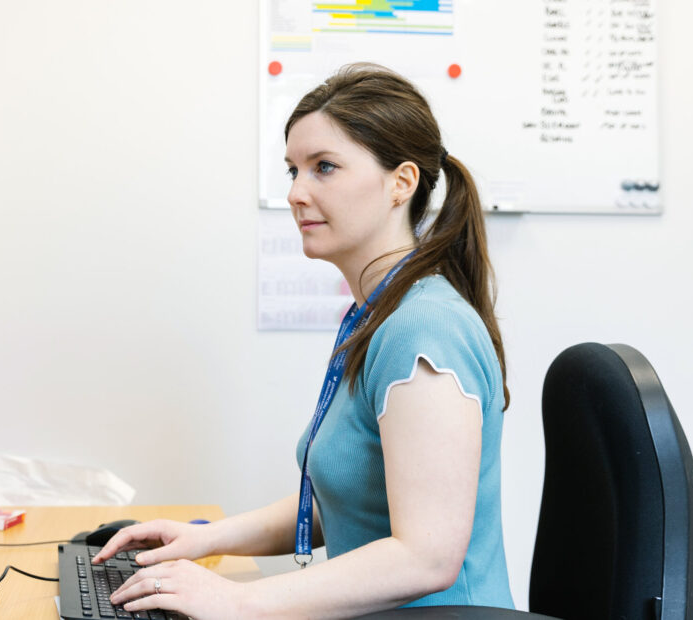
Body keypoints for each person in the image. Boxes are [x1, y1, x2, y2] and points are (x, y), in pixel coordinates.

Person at [94, 63, 513, 618]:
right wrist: (205, 538)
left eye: (324, 168)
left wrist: (238, 599)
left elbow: (426, 557)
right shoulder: (377, 314)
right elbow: (346, 498)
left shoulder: (425, 329)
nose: (296, 192)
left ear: (401, 183)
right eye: (294, 169)